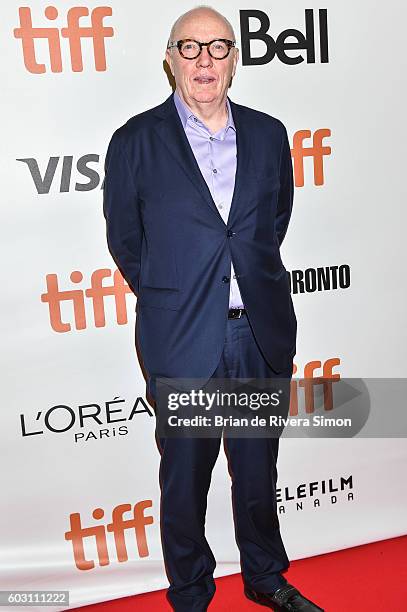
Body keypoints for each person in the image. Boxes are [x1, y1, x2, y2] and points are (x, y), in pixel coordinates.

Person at [103, 5, 323, 611]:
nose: (205, 61)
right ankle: (192, 592)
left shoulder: (269, 133)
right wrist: (178, 298)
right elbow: (126, 241)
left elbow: (270, 226)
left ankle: (264, 576)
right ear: (170, 59)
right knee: (185, 481)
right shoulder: (135, 141)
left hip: (257, 333)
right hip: (182, 337)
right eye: (191, 48)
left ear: (235, 61)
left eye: (219, 48)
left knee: (257, 474)